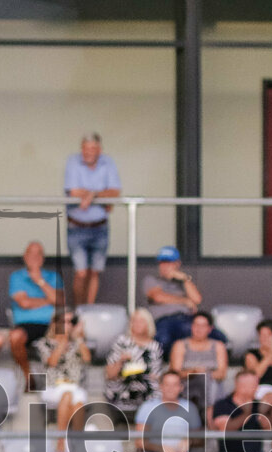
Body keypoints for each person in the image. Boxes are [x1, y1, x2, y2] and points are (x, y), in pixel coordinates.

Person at [64, 133, 121, 304]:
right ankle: (79, 309)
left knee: (94, 272)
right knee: (81, 272)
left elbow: (115, 192)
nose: (87, 152)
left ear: (99, 150)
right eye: (85, 148)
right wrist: (101, 196)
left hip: (100, 227)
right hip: (77, 226)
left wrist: (91, 195)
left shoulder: (108, 162)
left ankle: (88, 310)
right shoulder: (73, 161)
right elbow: (73, 191)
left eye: (91, 148)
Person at [143, 245, 226, 353]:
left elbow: (197, 299)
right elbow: (157, 297)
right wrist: (185, 301)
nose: (165, 266)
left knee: (218, 337)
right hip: (164, 320)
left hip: (187, 318)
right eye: (162, 263)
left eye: (169, 262)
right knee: (162, 340)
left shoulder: (184, 282)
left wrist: (185, 279)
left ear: (177, 264)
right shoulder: (152, 279)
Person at [35, 310, 91, 452]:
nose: (67, 325)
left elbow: (87, 359)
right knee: (67, 395)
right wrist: (63, 340)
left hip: (75, 386)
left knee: (77, 402)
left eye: (71, 322)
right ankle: (61, 443)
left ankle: (77, 444)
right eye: (63, 321)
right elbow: (52, 362)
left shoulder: (77, 344)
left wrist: (78, 339)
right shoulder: (44, 343)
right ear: (54, 324)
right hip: (53, 387)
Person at [8, 241, 62, 392]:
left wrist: (40, 281)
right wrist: (47, 300)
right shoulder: (17, 277)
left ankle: (57, 382)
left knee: (64, 336)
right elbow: (24, 303)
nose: (34, 257)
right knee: (14, 337)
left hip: (50, 324)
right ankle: (28, 377)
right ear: (25, 257)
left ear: (43, 258)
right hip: (26, 324)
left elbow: (59, 301)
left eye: (38, 254)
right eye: (31, 253)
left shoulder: (53, 276)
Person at [211, 371, 272, 452]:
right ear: (240, 386)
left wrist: (268, 410)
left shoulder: (258, 405)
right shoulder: (223, 404)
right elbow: (225, 429)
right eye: (253, 385)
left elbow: (269, 427)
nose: (257, 388)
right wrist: (246, 413)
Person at [134, 370, 203, 452]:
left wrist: (190, 441)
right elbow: (140, 441)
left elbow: (199, 439)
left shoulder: (190, 407)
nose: (171, 389)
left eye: (175, 385)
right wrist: (162, 449)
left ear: (181, 387)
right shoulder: (147, 407)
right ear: (161, 386)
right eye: (167, 385)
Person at [169, 311, 229, 418]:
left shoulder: (218, 346)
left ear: (210, 328)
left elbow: (222, 374)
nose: (198, 329)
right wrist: (194, 372)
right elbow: (175, 373)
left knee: (208, 382)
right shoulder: (180, 345)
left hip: (211, 386)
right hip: (187, 385)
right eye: (196, 325)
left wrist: (205, 374)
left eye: (203, 326)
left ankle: (208, 416)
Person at [104, 308, 163, 413]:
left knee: (158, 397)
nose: (137, 324)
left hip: (147, 390)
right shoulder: (122, 342)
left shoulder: (155, 347)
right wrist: (121, 361)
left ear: (148, 324)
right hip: (123, 388)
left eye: (141, 321)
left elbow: (156, 375)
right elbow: (110, 375)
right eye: (134, 321)